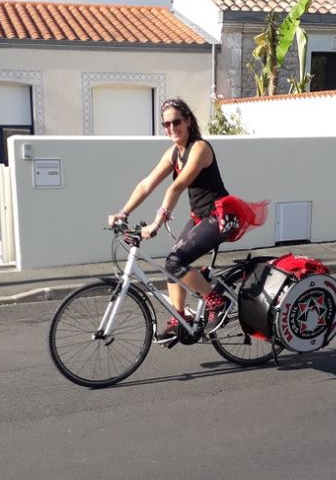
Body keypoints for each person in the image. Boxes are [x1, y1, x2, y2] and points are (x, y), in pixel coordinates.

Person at [108, 98, 267, 342]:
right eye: (166, 124)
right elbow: (146, 184)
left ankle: (217, 300)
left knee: (175, 263)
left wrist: (157, 223)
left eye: (176, 122)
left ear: (188, 121)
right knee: (172, 264)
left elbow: (177, 186)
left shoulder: (200, 148)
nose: (171, 127)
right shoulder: (174, 152)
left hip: (220, 216)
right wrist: (123, 212)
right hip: (200, 217)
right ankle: (180, 316)